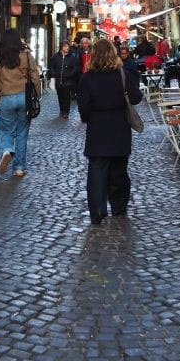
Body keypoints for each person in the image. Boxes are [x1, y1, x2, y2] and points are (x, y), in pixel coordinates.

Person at [77, 37, 143, 225]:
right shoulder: (122, 74)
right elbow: (137, 97)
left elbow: (83, 105)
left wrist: (88, 117)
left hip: (97, 128)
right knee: (118, 169)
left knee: (97, 169)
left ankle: (97, 210)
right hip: (119, 127)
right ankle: (118, 207)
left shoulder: (87, 78)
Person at [0, 28, 41, 178]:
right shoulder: (26, 54)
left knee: (6, 130)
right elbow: (35, 75)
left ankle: (7, 150)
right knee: (22, 133)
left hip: (6, 98)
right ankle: (19, 167)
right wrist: (37, 95)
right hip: (24, 97)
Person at [48, 40, 80, 118]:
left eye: (68, 46)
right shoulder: (56, 56)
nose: (67, 48)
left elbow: (75, 67)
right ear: (61, 47)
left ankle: (66, 112)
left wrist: (70, 74)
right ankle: (61, 110)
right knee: (60, 96)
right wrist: (53, 74)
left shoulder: (72, 57)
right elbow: (52, 66)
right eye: (65, 46)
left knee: (67, 97)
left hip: (68, 80)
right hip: (58, 80)